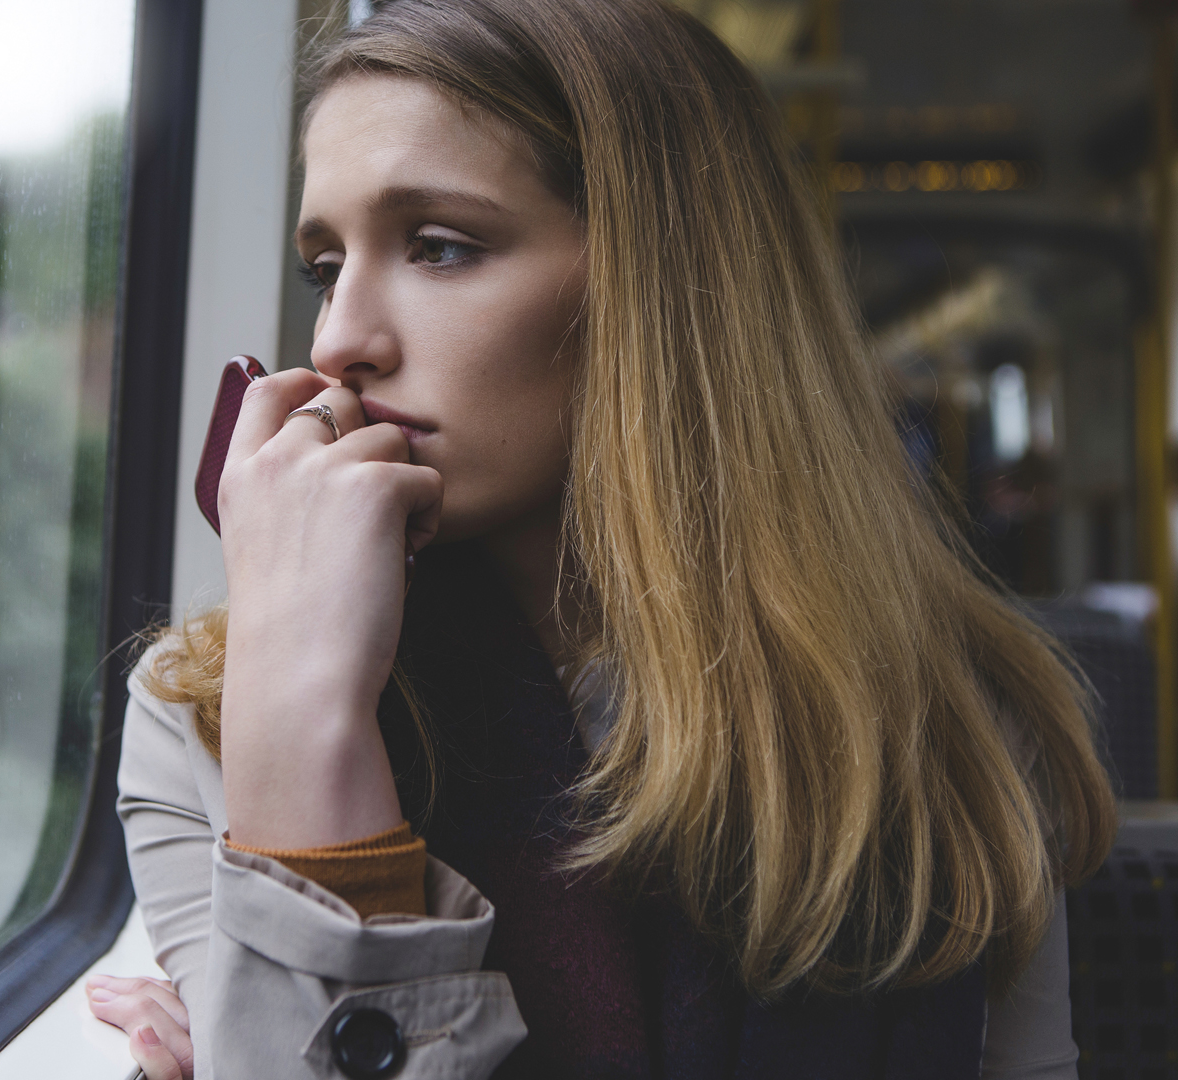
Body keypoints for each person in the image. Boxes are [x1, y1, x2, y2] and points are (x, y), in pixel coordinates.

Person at [88, 2, 1116, 1077]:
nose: (341, 337)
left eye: (440, 248)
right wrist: (303, 727)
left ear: (662, 289)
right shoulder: (203, 713)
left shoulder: (954, 713)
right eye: (324, 269)